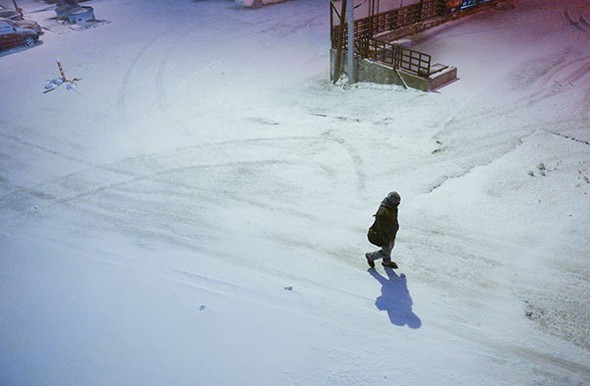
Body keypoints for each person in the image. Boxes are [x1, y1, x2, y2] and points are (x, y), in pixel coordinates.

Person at [365, 191, 400, 269]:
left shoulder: (392, 208)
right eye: (397, 203)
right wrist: (386, 237)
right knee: (386, 251)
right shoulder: (383, 212)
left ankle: (386, 262)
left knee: (390, 246)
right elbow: (382, 228)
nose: (398, 204)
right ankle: (370, 256)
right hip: (383, 234)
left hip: (391, 233)